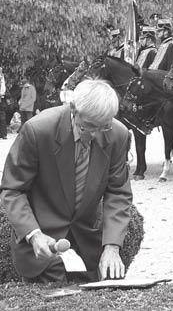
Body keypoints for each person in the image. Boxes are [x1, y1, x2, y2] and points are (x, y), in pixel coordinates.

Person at [0, 79, 133, 283]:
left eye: (103, 127)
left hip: (89, 245)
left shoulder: (118, 134)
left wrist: (112, 247)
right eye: (88, 126)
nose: (95, 135)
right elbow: (12, 190)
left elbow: (118, 192)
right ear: (73, 109)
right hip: (44, 245)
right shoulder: (38, 130)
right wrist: (34, 235)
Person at [0, 66, 7, 139]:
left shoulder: (2, 79)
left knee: (2, 118)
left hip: (1, 101)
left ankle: (4, 134)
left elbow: (3, 91)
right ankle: (2, 134)